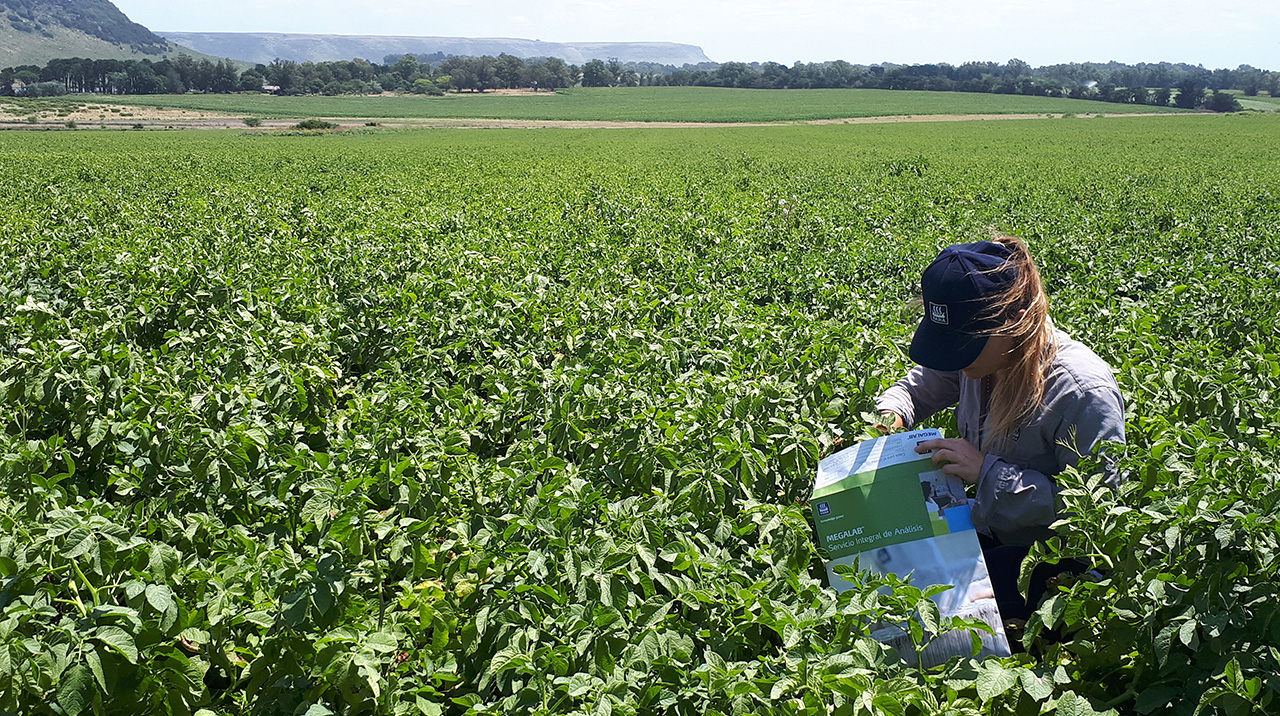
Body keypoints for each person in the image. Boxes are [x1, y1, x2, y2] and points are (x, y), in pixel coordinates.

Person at [873, 236, 1125, 622]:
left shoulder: (1080, 391)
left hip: (1057, 559)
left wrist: (987, 473)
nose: (954, 360)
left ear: (1013, 320)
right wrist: (894, 410)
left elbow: (1100, 514)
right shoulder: (982, 360)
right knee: (897, 571)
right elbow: (924, 383)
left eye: (961, 346)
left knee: (935, 610)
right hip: (996, 525)